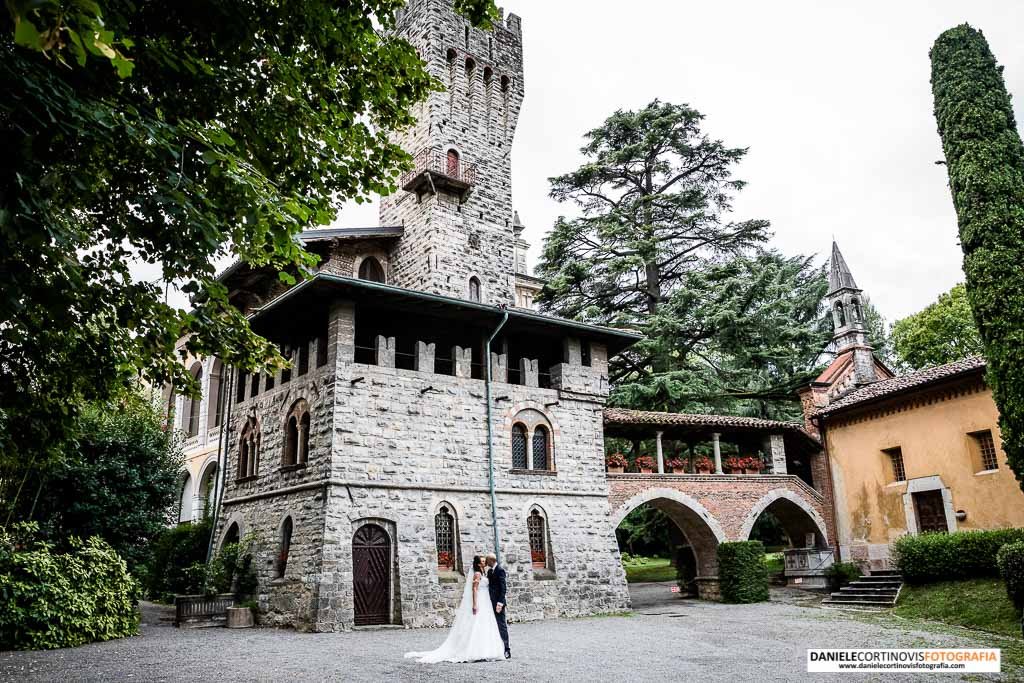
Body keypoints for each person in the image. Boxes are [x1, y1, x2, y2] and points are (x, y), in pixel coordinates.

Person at [404, 555, 505, 663]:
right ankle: (475, 651)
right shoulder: (477, 574)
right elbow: (475, 589)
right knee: (477, 623)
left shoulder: (484, 573)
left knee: (485, 623)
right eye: (483, 561)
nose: (485, 563)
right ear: (479, 564)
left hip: (486, 600)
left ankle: (486, 649)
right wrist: (475, 604)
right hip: (480, 599)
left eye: (485, 561)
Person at [485, 552, 511, 659]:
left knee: (501, 625)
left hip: (498, 603)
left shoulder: (500, 570)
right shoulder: (489, 571)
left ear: (492, 560)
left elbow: (503, 588)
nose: (486, 563)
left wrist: (500, 603)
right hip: (489, 603)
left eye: (487, 561)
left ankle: (506, 649)